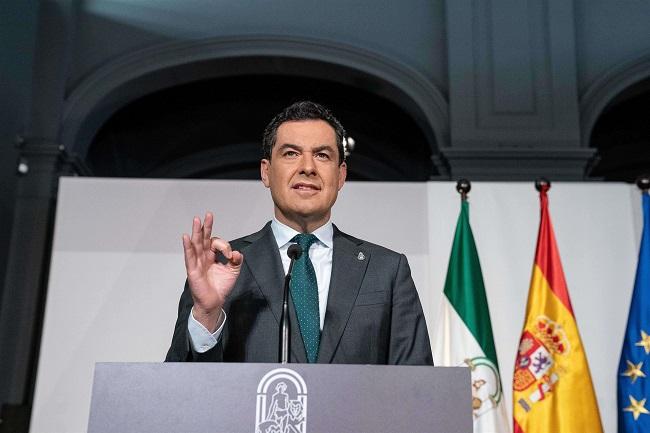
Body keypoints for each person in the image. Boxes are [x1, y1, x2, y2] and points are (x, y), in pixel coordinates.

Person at [165, 101, 433, 365]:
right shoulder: (219, 266)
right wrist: (206, 313)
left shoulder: (387, 270)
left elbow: (418, 389)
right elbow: (181, 391)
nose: (308, 167)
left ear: (341, 176)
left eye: (322, 155)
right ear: (266, 172)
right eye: (291, 153)